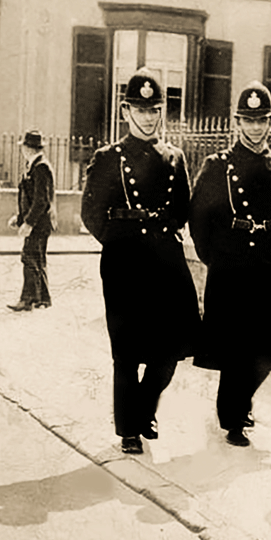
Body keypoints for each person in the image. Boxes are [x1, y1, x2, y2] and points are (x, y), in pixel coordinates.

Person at [81, 67, 200, 455]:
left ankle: (145, 407)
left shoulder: (174, 157)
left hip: (165, 263)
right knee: (127, 351)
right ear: (125, 111)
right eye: (140, 109)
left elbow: (182, 208)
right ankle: (128, 429)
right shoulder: (108, 158)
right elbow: (91, 213)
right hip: (124, 265)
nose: (148, 117)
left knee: (170, 350)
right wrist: (119, 242)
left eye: (154, 110)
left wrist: (160, 236)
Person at [189, 81, 271, 447]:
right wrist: (215, 258)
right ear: (237, 122)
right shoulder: (217, 166)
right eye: (248, 120)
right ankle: (233, 417)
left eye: (261, 120)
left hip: (269, 267)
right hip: (231, 267)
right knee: (235, 349)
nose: (255, 127)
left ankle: (239, 402)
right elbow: (198, 219)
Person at [7, 130, 55, 311]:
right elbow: (29, 198)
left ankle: (27, 300)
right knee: (37, 259)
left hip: (38, 224)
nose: (22, 150)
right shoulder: (34, 165)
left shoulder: (41, 167)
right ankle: (43, 298)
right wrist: (20, 218)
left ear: (28, 148)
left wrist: (29, 223)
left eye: (24, 147)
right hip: (38, 223)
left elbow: (41, 200)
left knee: (29, 258)